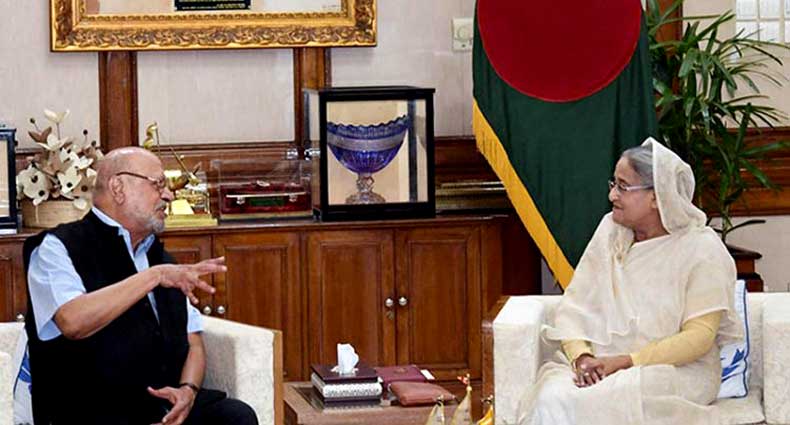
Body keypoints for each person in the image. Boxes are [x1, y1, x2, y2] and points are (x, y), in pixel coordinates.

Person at [23, 147, 259, 425]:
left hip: (164, 408)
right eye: (158, 184)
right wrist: (153, 277)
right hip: (94, 410)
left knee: (235, 416)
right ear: (118, 187)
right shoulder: (57, 247)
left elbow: (193, 342)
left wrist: (188, 391)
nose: (169, 195)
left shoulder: (160, 258)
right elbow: (72, 320)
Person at [516, 138, 744, 424]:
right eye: (613, 184)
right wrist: (582, 358)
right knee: (551, 396)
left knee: (615, 396)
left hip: (673, 370)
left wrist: (626, 362)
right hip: (600, 363)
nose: (612, 195)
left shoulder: (701, 248)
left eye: (623, 187)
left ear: (656, 196)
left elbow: (699, 338)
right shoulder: (610, 231)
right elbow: (574, 308)